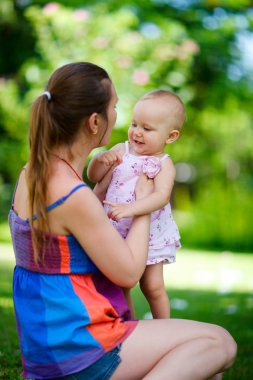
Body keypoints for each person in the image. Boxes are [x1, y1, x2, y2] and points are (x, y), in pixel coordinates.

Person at [9, 61, 236, 380]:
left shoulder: (31, 173)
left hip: (50, 344)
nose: (119, 117)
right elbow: (129, 273)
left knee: (203, 369)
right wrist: (143, 205)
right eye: (114, 107)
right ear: (94, 121)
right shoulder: (72, 194)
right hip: (78, 349)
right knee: (219, 344)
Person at [87, 89, 184, 319]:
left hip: (151, 235)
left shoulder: (164, 164)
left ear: (170, 136)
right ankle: (128, 326)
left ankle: (164, 329)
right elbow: (93, 177)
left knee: (152, 286)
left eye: (147, 129)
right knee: (121, 285)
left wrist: (131, 209)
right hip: (117, 230)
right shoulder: (122, 150)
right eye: (134, 124)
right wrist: (99, 161)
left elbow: (160, 196)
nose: (137, 133)